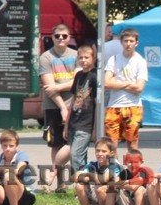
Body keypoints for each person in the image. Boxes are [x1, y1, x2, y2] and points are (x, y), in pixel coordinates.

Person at [39, 24, 78, 189]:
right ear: (52, 37)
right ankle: (60, 182)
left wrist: (58, 86)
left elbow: (78, 82)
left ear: (69, 37)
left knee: (73, 143)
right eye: (57, 36)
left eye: (64, 36)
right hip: (53, 105)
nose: (61, 39)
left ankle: (66, 179)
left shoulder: (77, 55)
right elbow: (49, 87)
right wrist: (62, 107)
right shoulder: (46, 57)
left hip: (75, 105)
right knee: (56, 143)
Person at [104, 27, 146, 148]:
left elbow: (139, 87)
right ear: (121, 42)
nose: (128, 44)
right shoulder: (114, 59)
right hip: (114, 106)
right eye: (126, 41)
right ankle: (114, 166)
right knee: (111, 143)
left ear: (136, 43)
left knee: (132, 142)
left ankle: (133, 166)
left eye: (131, 41)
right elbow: (106, 83)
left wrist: (116, 82)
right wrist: (128, 83)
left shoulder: (140, 61)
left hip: (133, 106)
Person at [64, 44, 98, 180]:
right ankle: (82, 186)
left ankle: (82, 183)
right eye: (81, 57)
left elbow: (97, 103)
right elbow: (73, 99)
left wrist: (95, 128)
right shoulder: (78, 75)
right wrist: (66, 125)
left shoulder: (95, 76)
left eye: (87, 57)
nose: (83, 60)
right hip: (74, 121)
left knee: (75, 155)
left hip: (86, 123)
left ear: (93, 58)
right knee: (78, 158)